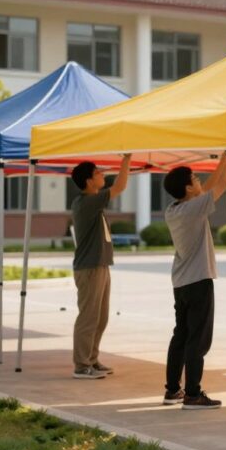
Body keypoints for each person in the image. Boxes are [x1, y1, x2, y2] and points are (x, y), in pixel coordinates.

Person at [161, 153, 226, 410]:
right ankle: (192, 393)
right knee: (197, 340)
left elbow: (209, 187)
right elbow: (220, 186)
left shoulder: (174, 209)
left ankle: (172, 390)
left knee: (181, 335)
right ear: (188, 188)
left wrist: (223, 159)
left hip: (181, 283)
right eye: (194, 178)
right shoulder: (193, 208)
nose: (199, 180)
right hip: (198, 280)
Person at [69, 155, 132, 379]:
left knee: (101, 316)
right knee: (89, 317)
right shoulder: (87, 201)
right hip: (90, 268)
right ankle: (81, 365)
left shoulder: (92, 201)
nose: (102, 175)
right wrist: (127, 159)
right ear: (88, 181)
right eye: (98, 173)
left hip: (101, 266)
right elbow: (121, 186)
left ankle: (92, 359)